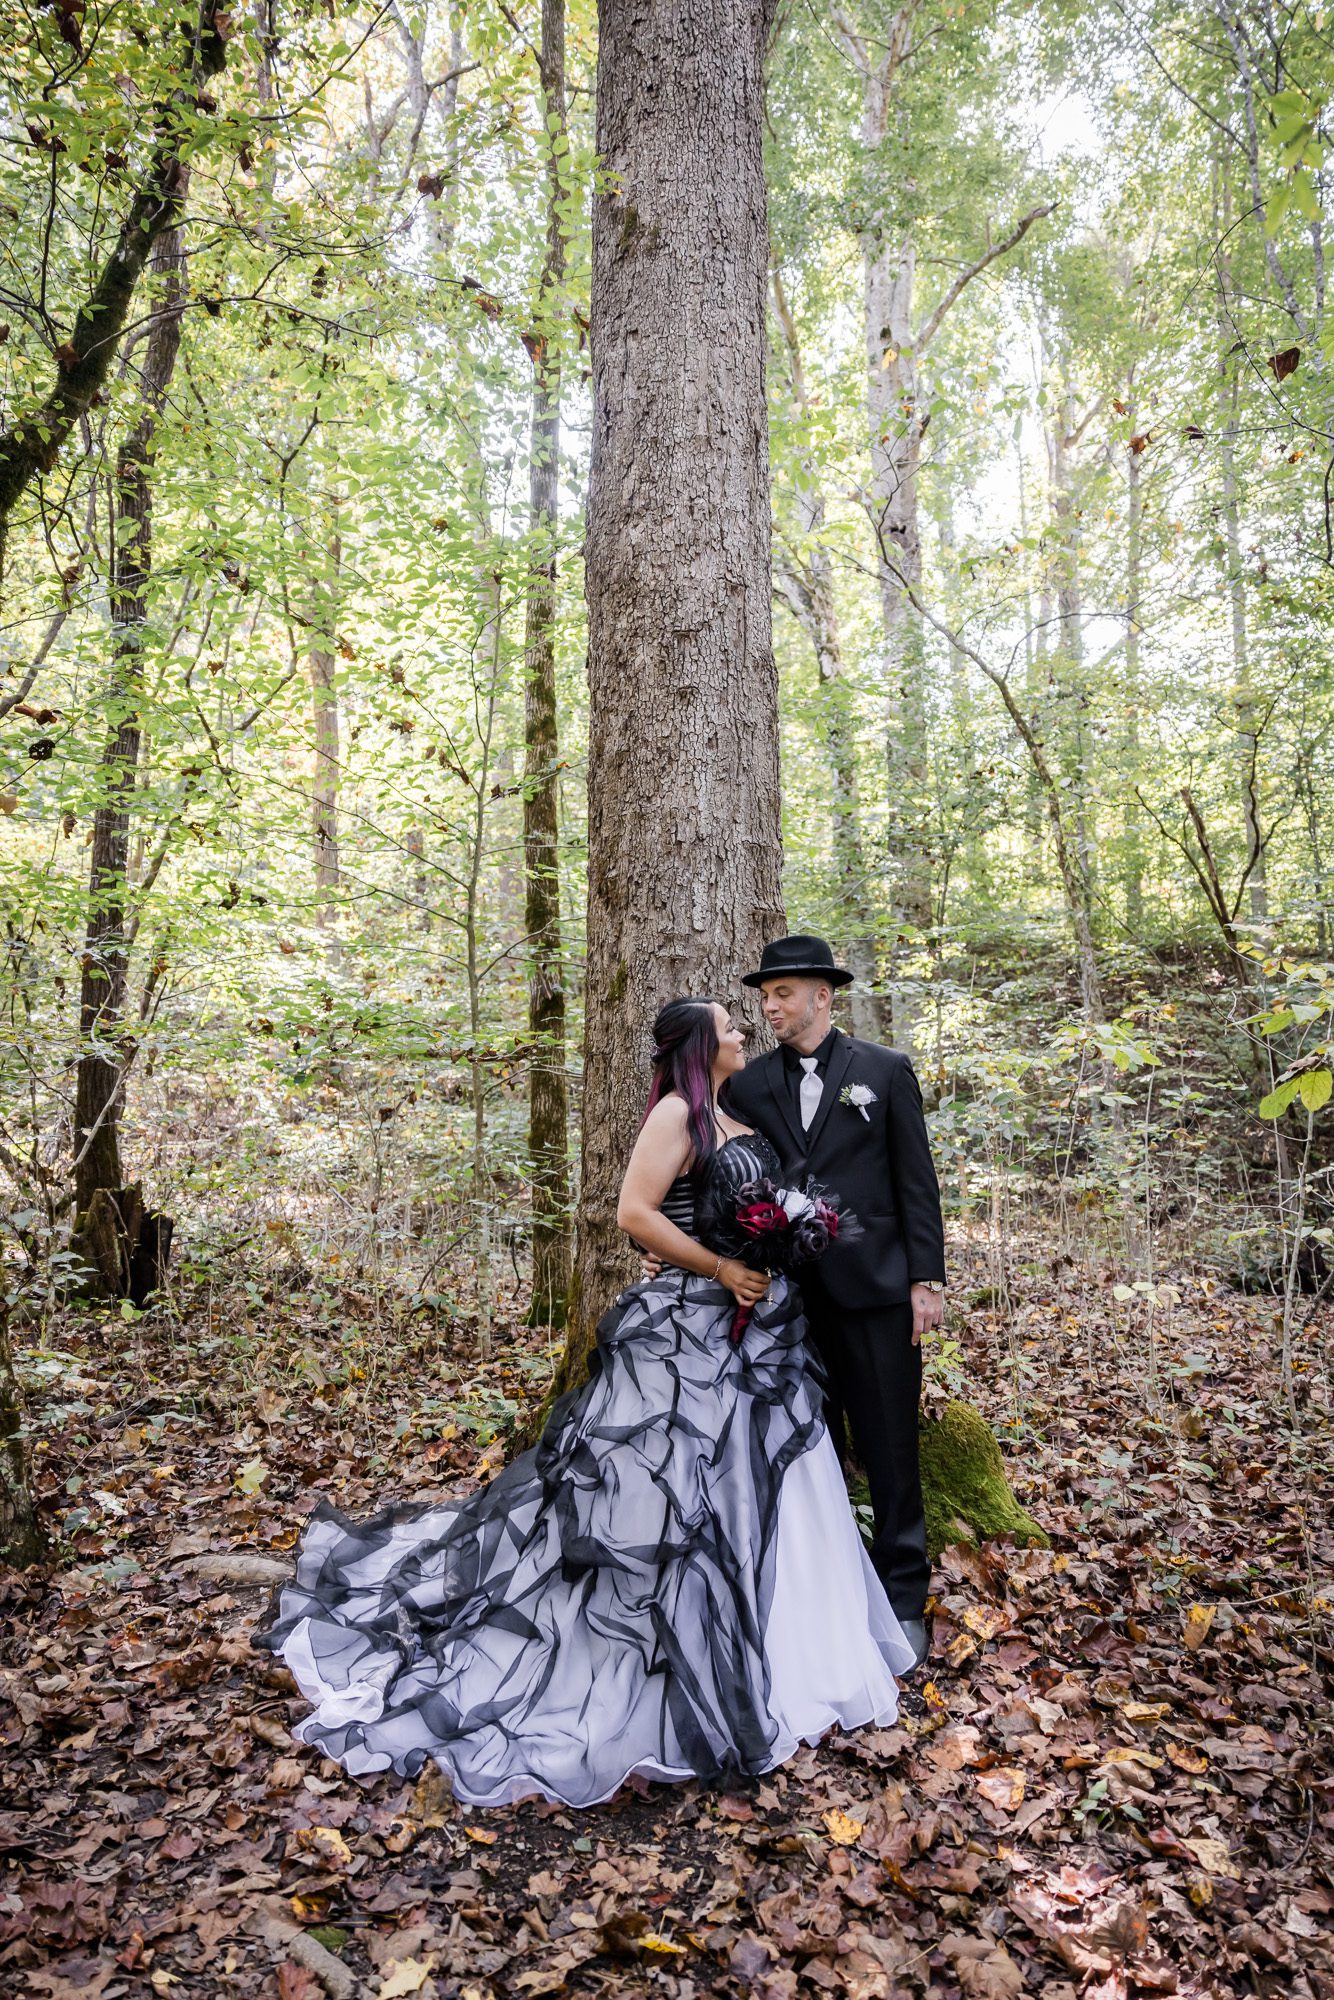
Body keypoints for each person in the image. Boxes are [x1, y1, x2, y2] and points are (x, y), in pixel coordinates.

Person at [251, 998, 916, 1810]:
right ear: (702, 1045)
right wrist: (719, 1270)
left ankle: (806, 1653)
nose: (744, 1032)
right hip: (695, 1328)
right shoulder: (676, 1112)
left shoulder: (733, 1109)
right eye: (729, 1027)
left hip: (767, 1328)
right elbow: (633, 1214)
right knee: (683, 1496)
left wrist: (788, 1239)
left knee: (771, 1486)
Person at [723, 935, 947, 1669]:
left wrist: (926, 1279)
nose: (771, 1006)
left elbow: (917, 1182)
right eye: (765, 995)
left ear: (824, 995)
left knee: (890, 1446)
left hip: (879, 1291)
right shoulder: (748, 1086)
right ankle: (833, 1595)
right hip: (789, 1302)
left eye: (783, 993)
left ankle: (905, 1595)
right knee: (812, 1451)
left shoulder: (884, 1071)